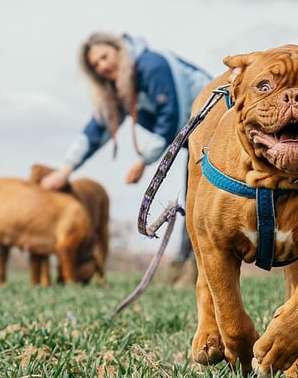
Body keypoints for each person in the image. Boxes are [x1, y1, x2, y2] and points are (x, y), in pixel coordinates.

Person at [41, 32, 212, 286]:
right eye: (95, 65)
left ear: (119, 51)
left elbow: (172, 116)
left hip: (216, 127)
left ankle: (192, 268)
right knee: (193, 198)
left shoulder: (152, 66)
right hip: (195, 139)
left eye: (104, 57)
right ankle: (185, 266)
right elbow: (98, 128)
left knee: (198, 199)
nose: (102, 66)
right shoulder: (121, 88)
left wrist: (144, 161)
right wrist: (66, 169)